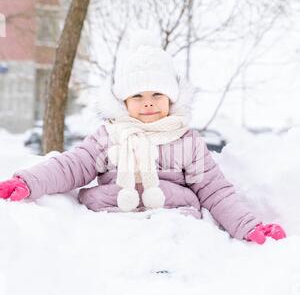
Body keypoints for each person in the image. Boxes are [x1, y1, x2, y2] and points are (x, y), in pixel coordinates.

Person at [0, 29, 286, 245]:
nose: (148, 103)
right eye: (137, 95)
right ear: (123, 102)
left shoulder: (186, 140)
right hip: (112, 224)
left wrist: (248, 227)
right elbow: (71, 166)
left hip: (174, 227)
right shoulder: (110, 136)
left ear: (171, 99)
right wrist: (28, 182)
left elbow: (215, 190)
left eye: (157, 94)